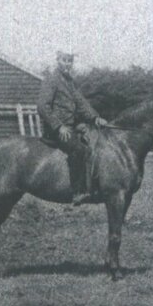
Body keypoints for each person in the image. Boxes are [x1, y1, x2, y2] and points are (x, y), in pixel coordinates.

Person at [37, 50, 107, 204]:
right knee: (79, 149)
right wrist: (58, 127)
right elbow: (42, 106)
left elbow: (81, 103)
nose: (68, 64)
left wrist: (95, 117)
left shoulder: (69, 81)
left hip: (70, 126)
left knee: (93, 142)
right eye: (64, 60)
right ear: (58, 60)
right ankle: (78, 191)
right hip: (56, 130)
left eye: (70, 61)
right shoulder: (51, 80)